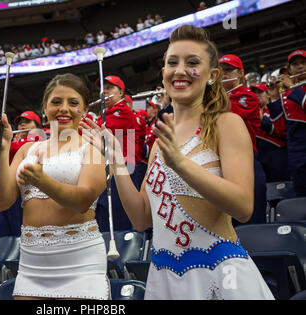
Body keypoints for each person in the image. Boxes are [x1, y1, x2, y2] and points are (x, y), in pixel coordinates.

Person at [81, 24, 274, 300]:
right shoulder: (160, 142)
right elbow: (140, 218)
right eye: (173, 63)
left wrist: (180, 163)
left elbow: (243, 207)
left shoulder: (226, 124)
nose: (180, 70)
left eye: (193, 62)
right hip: (164, 280)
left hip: (221, 277)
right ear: (164, 74)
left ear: (212, 75)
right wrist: (117, 162)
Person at [0, 73, 108, 300]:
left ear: (85, 110)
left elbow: (82, 201)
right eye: (56, 102)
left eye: (73, 103)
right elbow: (2, 202)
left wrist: (42, 181)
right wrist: (2, 149)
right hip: (31, 262)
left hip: (80, 260)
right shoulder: (25, 150)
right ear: (44, 108)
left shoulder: (92, 148)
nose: (64, 108)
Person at [220, 54, 266, 224]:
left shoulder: (247, 96)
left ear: (240, 73)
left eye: (228, 70)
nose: (223, 75)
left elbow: (225, 117)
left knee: (251, 222)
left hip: (245, 159)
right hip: (222, 160)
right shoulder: (218, 96)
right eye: (221, 71)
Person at [94, 75, 141, 232]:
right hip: (110, 167)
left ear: (121, 92)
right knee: (105, 214)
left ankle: (122, 251)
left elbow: (99, 132)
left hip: (123, 168)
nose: (104, 92)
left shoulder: (123, 112)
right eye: (103, 88)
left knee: (117, 216)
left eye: (109, 88)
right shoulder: (106, 113)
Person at [265, 49, 306, 196]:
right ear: (289, 69)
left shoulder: (293, 90)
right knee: (301, 195)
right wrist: (275, 97)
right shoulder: (287, 94)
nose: (300, 67)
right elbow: (279, 129)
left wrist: (292, 87)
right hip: (295, 153)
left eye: (303, 63)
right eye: (295, 64)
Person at [251, 83, 289, 182]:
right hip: (259, 157)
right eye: (254, 93)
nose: (257, 95)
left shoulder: (275, 109)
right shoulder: (250, 113)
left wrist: (263, 120)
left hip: (277, 156)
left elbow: (281, 131)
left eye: (260, 92)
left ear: (268, 94)